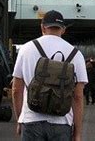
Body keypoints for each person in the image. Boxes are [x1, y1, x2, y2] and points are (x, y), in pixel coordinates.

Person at [12, 10, 88, 141]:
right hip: (62, 122)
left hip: (31, 120)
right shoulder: (76, 54)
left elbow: (16, 90)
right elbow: (78, 96)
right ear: (63, 30)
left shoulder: (26, 49)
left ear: (42, 27)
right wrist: (78, 133)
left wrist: (20, 119)